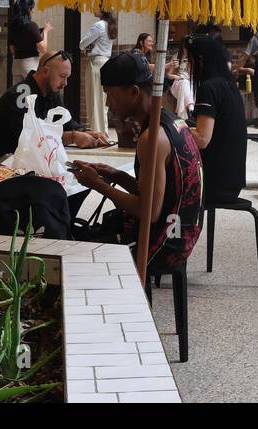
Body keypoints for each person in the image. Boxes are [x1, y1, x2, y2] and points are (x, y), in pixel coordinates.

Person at [70, 52, 202, 273]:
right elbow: (159, 194)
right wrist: (116, 175)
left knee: (73, 254)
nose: (107, 103)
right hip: (181, 232)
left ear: (133, 92)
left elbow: (149, 211)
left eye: (109, 94)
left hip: (164, 244)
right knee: (88, 234)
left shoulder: (152, 138)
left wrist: (97, 185)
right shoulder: (171, 121)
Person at [0, 49, 110, 160]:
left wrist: (88, 133)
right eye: (62, 76)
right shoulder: (20, 94)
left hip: (27, 162)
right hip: (2, 164)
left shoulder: (50, 93)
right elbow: (28, 138)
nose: (65, 83)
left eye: (67, 78)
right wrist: (72, 137)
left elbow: (67, 124)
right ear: (45, 71)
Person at [185, 35, 247, 205]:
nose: (187, 67)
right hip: (232, 181)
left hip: (215, 184)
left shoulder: (208, 88)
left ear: (200, 61)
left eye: (188, 61)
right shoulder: (228, 84)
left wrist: (177, 127)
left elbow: (202, 139)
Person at [79, 10, 117, 134]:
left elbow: (82, 44)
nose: (93, 9)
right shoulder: (109, 25)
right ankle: (102, 132)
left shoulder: (99, 25)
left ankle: (97, 133)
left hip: (96, 63)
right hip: (105, 62)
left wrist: (89, 46)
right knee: (102, 101)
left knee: (94, 99)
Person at [8, 0, 49, 80]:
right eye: (32, 8)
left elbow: (12, 50)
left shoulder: (13, 27)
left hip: (16, 65)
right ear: (28, 10)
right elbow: (43, 48)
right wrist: (46, 31)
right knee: (32, 91)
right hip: (30, 65)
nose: (33, 11)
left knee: (19, 92)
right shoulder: (31, 25)